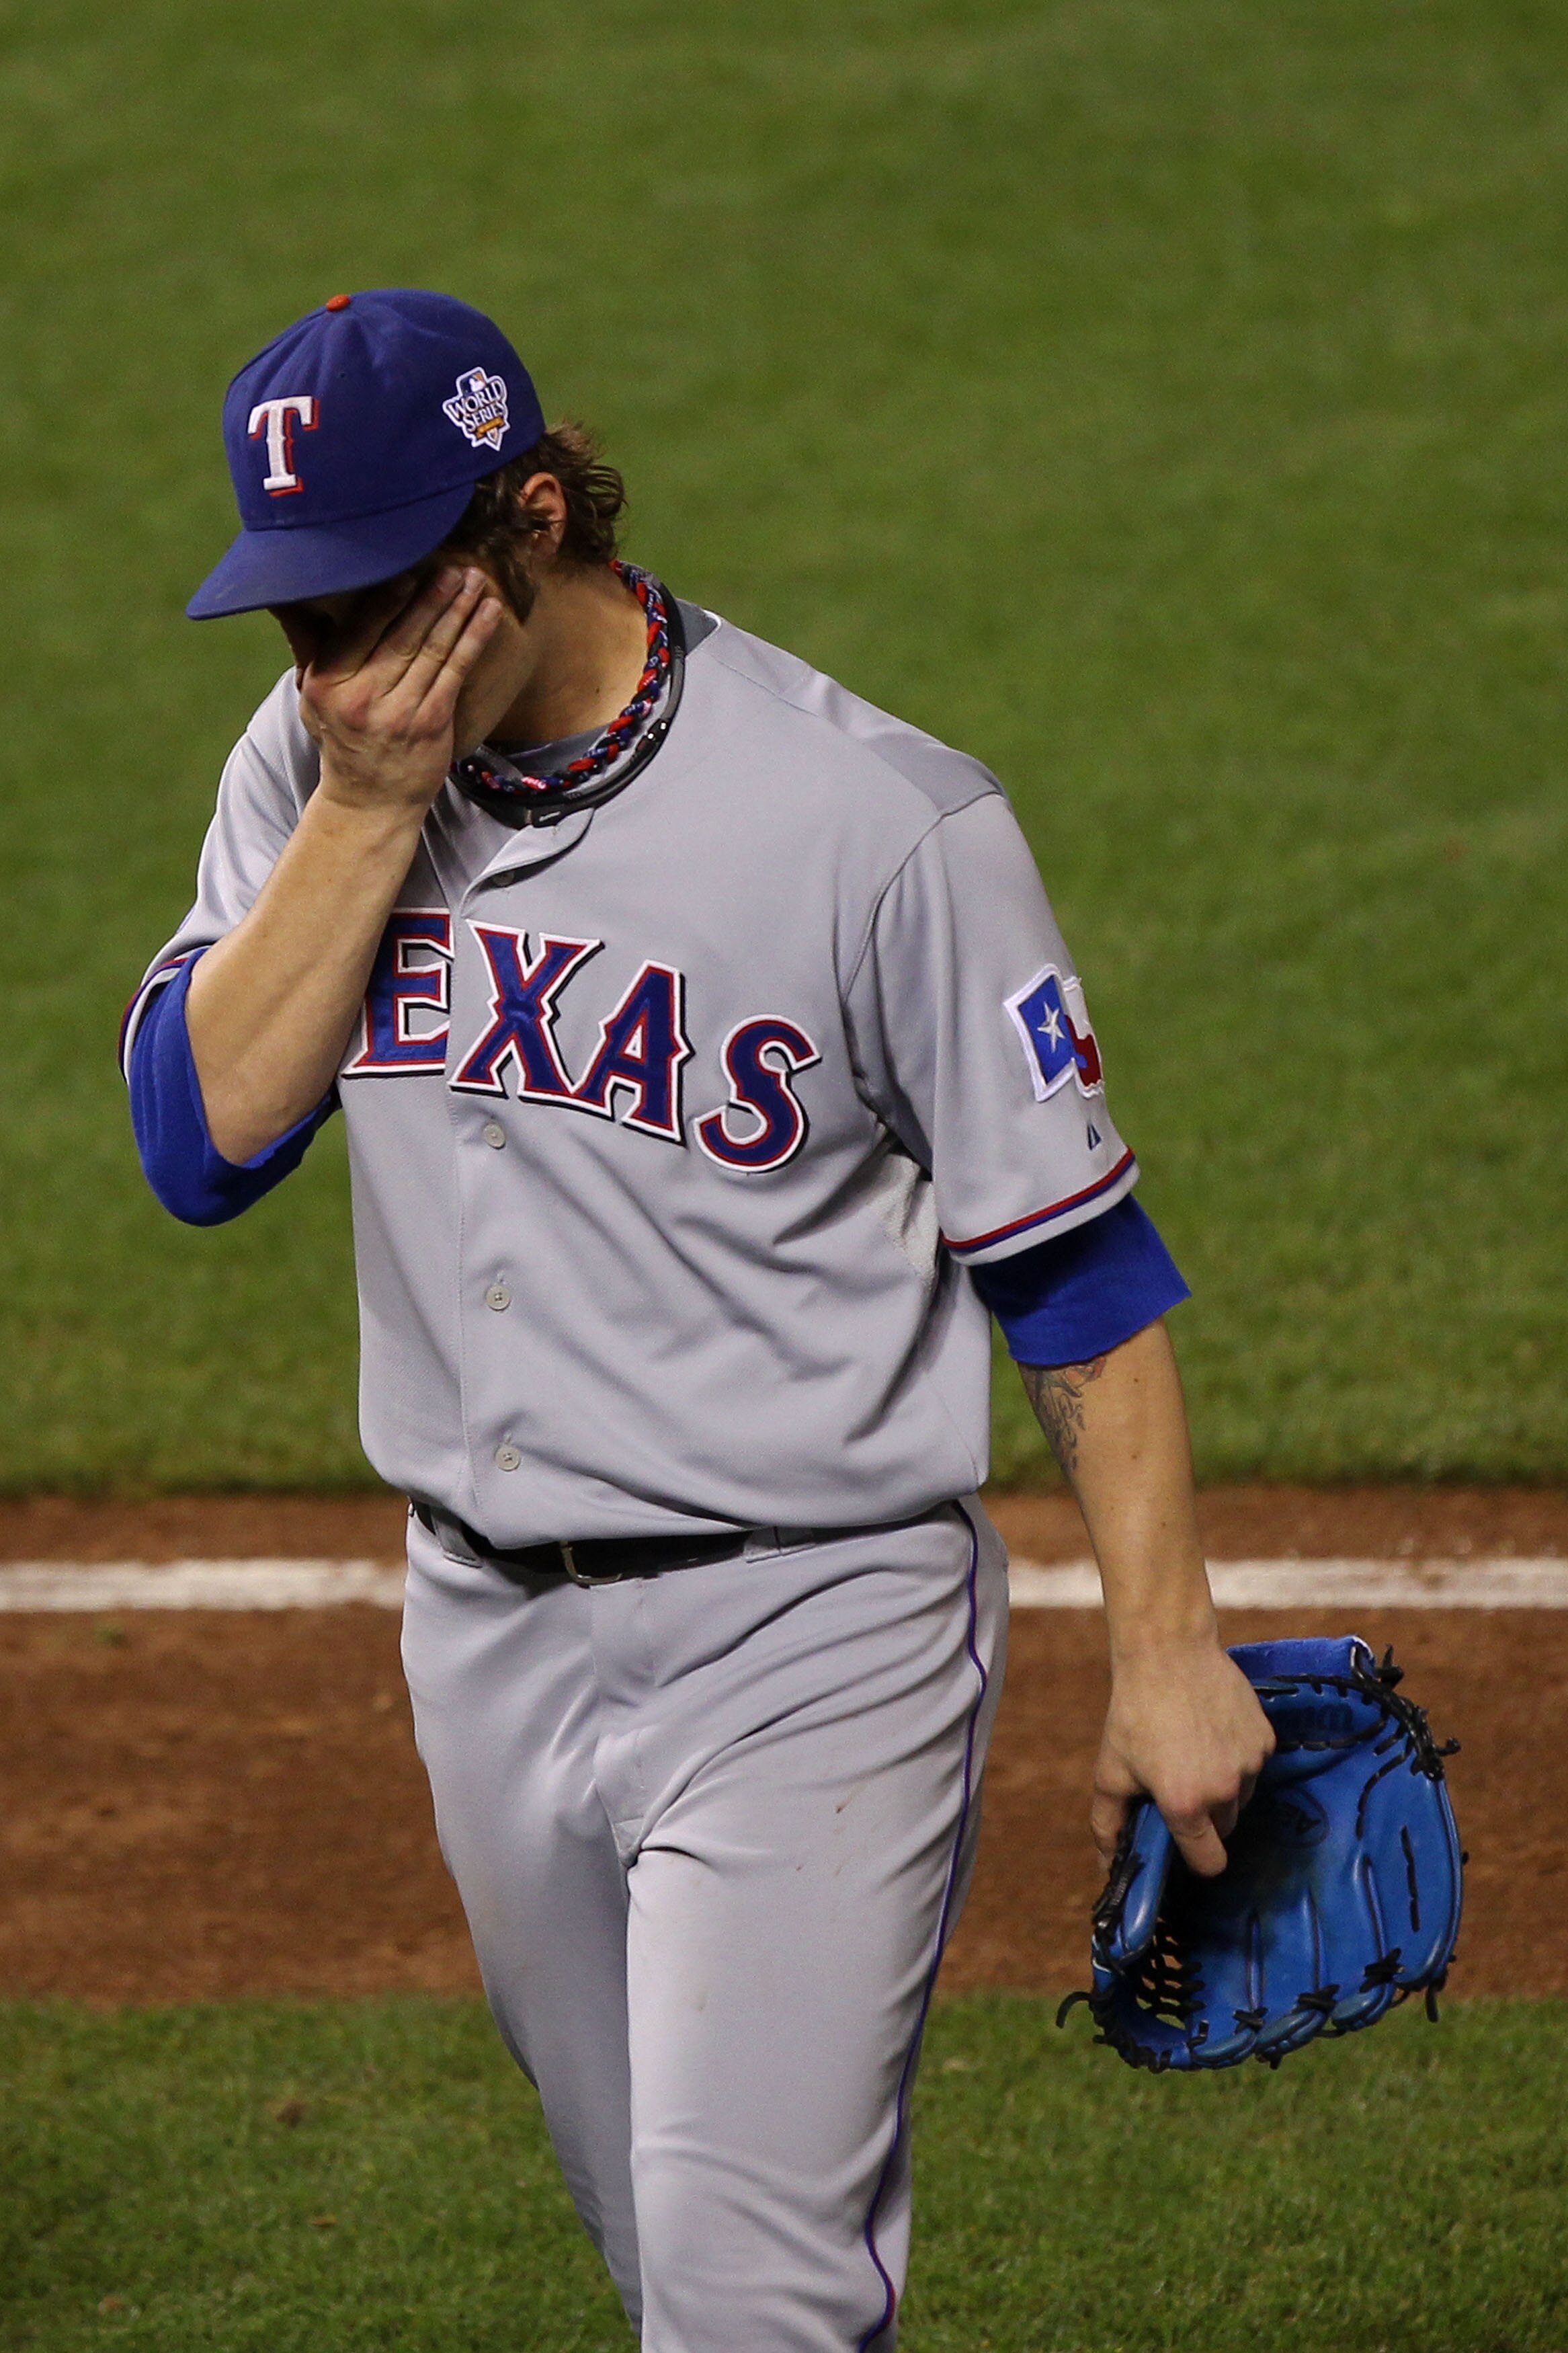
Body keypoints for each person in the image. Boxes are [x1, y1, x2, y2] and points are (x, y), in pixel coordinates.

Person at [124, 288, 1271, 2351]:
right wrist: (368, 811)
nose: (336, 669)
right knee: (685, 2279)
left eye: (376, 607)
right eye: (300, 623)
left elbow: (1076, 1270)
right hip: (479, 1636)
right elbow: (204, 1140)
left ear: (530, 522)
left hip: (808, 1631)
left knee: (747, 2306)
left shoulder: (878, 825)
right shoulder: (314, 771)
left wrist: (1167, 1651)